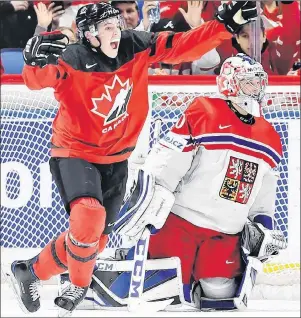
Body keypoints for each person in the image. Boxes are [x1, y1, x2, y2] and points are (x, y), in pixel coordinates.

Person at [8, 1, 258, 315]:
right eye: (108, 27)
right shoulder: (72, 57)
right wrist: (31, 62)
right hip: (75, 152)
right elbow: (36, 81)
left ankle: (29, 271)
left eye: (117, 25)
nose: (116, 32)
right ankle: (78, 286)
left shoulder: (135, 45)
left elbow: (182, 46)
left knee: (92, 241)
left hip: (117, 159)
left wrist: (224, 25)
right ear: (90, 35)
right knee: (88, 216)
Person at [114, 53, 287, 310]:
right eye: (249, 81)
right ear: (230, 82)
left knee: (220, 296)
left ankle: (196, 275)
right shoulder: (204, 110)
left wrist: (263, 225)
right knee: (159, 290)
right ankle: (108, 272)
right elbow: (170, 158)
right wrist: (152, 194)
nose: (257, 87)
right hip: (182, 221)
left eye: (258, 81)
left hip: (227, 232)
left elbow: (263, 191)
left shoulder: (269, 135)